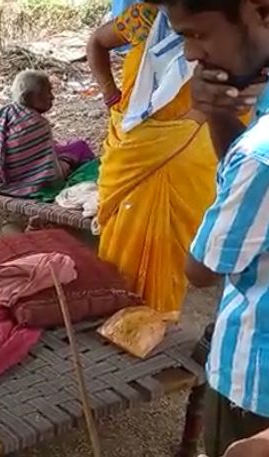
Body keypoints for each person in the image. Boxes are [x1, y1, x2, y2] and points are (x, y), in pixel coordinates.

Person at [153, 0, 269, 455]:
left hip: (255, 383)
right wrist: (221, 115)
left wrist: (217, 116)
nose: (189, 54)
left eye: (198, 34)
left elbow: (201, 269)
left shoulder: (259, 155)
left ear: (260, 11)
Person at [86, 1, 249, 316]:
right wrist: (110, 94)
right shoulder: (146, 18)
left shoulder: (230, 29)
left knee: (169, 248)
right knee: (120, 235)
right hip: (132, 148)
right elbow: (96, 43)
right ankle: (114, 309)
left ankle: (154, 318)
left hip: (188, 152)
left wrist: (188, 124)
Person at [0, 70, 94, 198]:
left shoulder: (5, 112)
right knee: (79, 146)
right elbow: (49, 168)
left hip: (3, 177)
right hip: (29, 182)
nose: (52, 97)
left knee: (66, 146)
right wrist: (65, 165)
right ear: (29, 96)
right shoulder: (37, 123)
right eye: (48, 92)